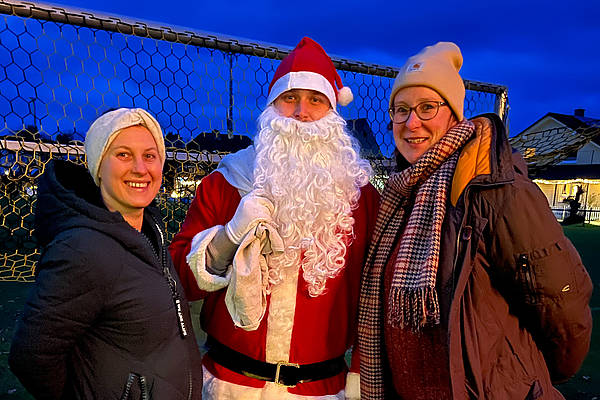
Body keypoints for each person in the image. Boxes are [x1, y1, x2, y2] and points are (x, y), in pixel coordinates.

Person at [358, 42, 593, 399]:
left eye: (427, 108)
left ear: (453, 114)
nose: (411, 123)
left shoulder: (498, 190)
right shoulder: (399, 196)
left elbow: (561, 305)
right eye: (401, 110)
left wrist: (521, 378)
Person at [169, 37, 380, 399]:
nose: (301, 112)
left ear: (332, 113)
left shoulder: (362, 199)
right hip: (229, 386)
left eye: (315, 100)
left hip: (322, 391)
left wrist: (361, 378)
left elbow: (376, 302)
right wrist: (227, 238)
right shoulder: (225, 184)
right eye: (290, 99)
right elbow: (178, 282)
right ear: (271, 108)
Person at [9, 108, 203, 399]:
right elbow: (32, 356)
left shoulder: (150, 233)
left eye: (150, 156)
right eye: (123, 155)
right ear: (99, 165)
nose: (140, 168)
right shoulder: (84, 248)